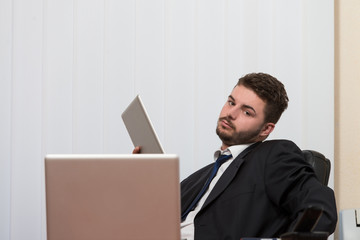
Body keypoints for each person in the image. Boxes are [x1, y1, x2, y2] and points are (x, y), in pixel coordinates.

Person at [134, 72, 337, 240]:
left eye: (247, 112)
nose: (231, 113)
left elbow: (318, 204)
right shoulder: (196, 180)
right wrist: (138, 180)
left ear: (266, 129)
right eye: (231, 102)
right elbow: (152, 221)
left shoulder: (274, 155)